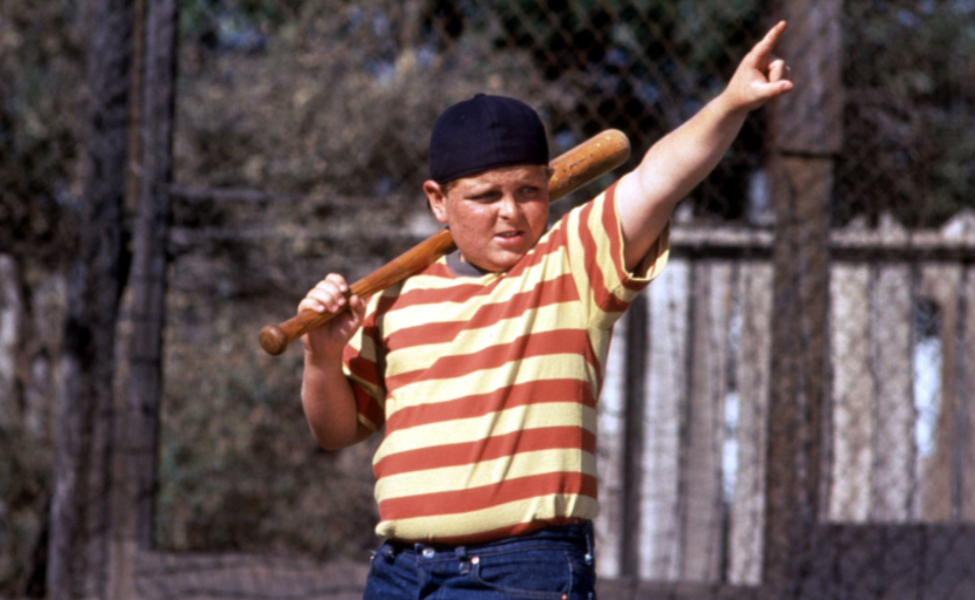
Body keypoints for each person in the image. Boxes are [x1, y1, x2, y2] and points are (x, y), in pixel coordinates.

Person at [297, 21, 793, 600]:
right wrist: (322, 355)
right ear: (438, 201)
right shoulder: (394, 297)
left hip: (521, 571)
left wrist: (729, 104)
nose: (511, 212)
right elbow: (334, 431)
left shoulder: (573, 263)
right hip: (400, 572)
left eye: (529, 191)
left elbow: (659, 177)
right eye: (486, 196)